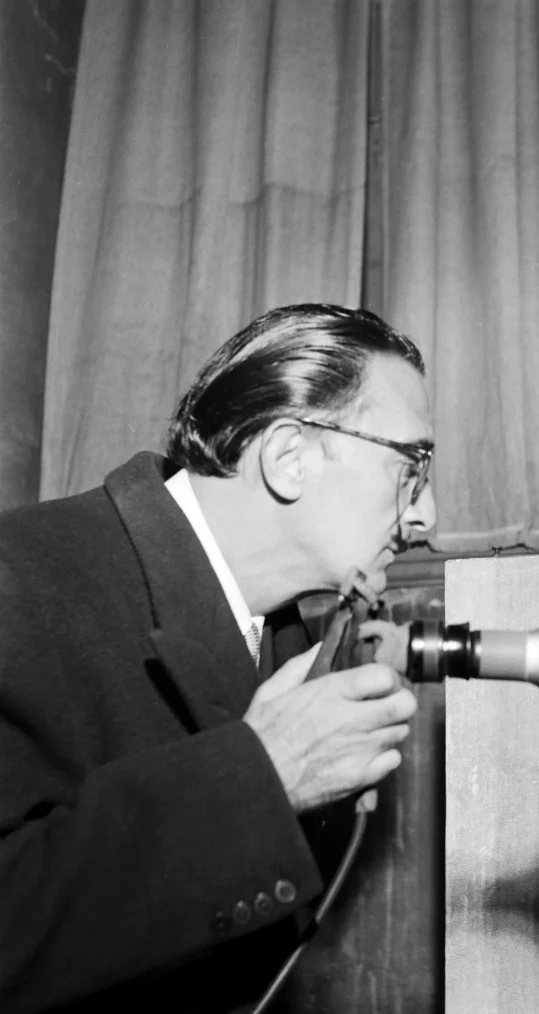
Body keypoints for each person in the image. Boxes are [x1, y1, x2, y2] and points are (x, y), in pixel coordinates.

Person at [0, 304, 436, 1013]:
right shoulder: (19, 580)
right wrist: (261, 778)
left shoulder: (288, 638)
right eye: (411, 467)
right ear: (289, 455)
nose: (426, 519)